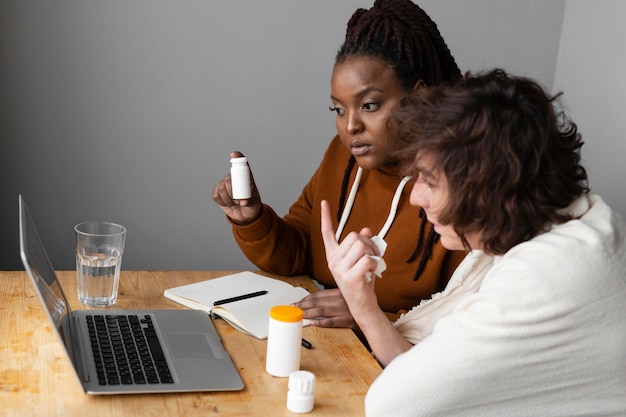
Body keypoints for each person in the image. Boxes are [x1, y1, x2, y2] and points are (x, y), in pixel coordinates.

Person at [320, 69, 626, 416]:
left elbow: (394, 403)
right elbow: (419, 374)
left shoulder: (545, 277)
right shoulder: (575, 224)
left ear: (488, 189)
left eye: (430, 181)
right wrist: (362, 305)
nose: (416, 197)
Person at [212, 0, 467, 330]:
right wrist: (253, 220)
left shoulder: (460, 181)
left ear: (419, 97)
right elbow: (300, 252)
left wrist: (369, 317)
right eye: (339, 110)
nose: (351, 127)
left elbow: (465, 325)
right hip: (329, 348)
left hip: (399, 370)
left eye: (369, 105)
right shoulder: (343, 157)